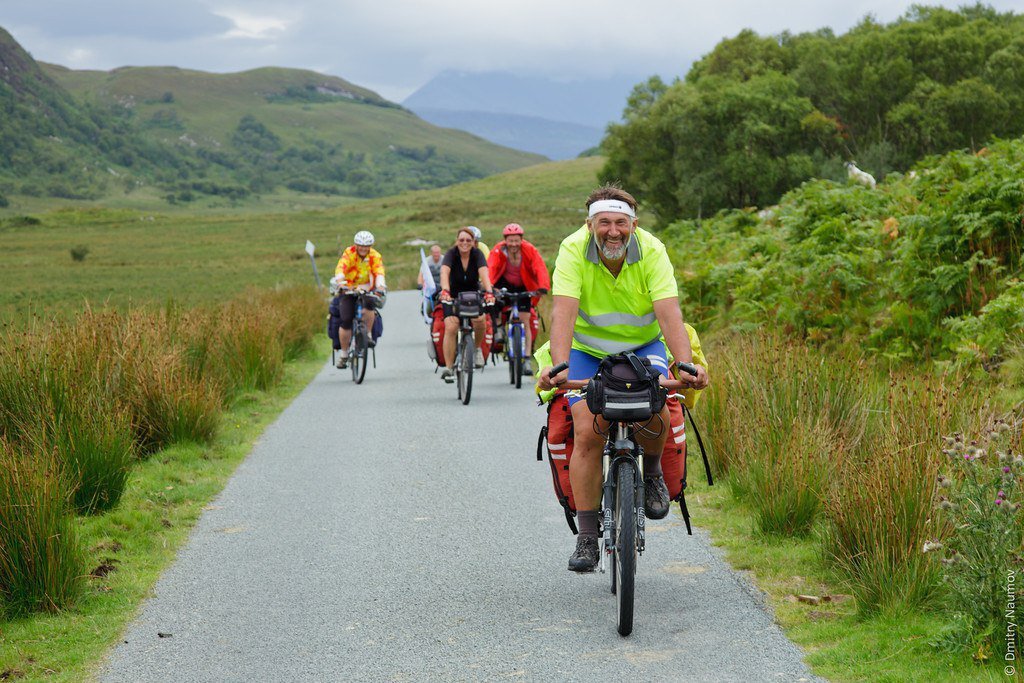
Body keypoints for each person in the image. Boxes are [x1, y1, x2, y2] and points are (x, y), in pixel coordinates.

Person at [537, 185, 709, 572]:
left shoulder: (651, 249)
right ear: (590, 224)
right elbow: (563, 311)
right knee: (586, 431)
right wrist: (560, 368)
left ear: (633, 224)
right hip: (586, 351)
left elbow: (668, 310)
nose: (612, 232)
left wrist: (683, 365)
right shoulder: (571, 249)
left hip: (643, 345)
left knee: (656, 404)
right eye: (603, 223)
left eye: (620, 223)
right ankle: (586, 535)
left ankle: (651, 475)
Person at [487, 223, 550, 372]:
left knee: (525, 321)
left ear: (521, 239)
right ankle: (500, 329)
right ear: (505, 240)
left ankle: (527, 359)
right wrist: (489, 287)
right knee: (494, 302)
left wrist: (543, 286)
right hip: (503, 284)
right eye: (510, 240)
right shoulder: (498, 250)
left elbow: (539, 267)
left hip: (523, 286)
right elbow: (491, 267)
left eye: (516, 240)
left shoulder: (529, 250)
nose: (514, 244)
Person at [439, 227, 495, 381]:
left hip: (473, 295)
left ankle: (476, 349)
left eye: (468, 240)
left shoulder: (477, 254)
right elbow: (445, 272)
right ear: (457, 241)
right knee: (451, 326)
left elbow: (484, 274)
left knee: (480, 320)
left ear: (473, 242)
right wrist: (445, 291)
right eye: (461, 240)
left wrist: (489, 291)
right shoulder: (451, 254)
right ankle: (449, 368)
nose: (464, 243)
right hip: (452, 295)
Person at [334, 230, 386, 369]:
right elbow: (341, 268)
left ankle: (367, 334)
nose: (363, 249)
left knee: (369, 305)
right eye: (360, 245)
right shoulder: (349, 253)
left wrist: (380, 286)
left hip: (367, 288)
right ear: (356, 245)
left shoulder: (375, 255)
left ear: (370, 246)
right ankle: (344, 354)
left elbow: (379, 271)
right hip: (348, 287)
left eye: (366, 246)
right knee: (346, 319)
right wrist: (340, 282)